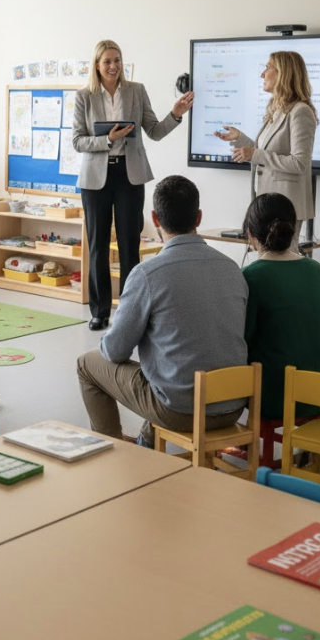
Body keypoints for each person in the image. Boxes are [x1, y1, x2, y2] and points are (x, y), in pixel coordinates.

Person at [76, 175, 249, 447]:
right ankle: (146, 442)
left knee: (87, 364)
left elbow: (115, 351)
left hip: (180, 411)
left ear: (155, 219)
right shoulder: (232, 268)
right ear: (199, 217)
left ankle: (111, 452)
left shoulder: (147, 274)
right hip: (232, 406)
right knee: (173, 362)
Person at [72, 40, 194, 330]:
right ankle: (99, 311)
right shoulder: (84, 97)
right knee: (98, 246)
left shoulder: (136, 91)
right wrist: (108, 140)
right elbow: (78, 141)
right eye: (107, 62)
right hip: (95, 179)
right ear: (97, 66)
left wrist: (175, 114)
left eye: (117, 60)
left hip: (130, 176)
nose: (114, 66)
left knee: (130, 244)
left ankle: (129, 311)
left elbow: (154, 131)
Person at [242, 192, 320, 421]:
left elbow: (243, 339)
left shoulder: (251, 276)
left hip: (274, 396)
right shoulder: (317, 270)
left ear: (250, 235)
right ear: (293, 229)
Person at [216, 50, 318, 249]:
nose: (262, 74)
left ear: (283, 73)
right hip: (267, 205)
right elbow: (265, 151)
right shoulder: (277, 108)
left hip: (286, 207)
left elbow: (299, 163)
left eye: (267, 67)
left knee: (283, 267)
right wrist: (241, 139)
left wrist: (256, 154)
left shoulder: (301, 112)